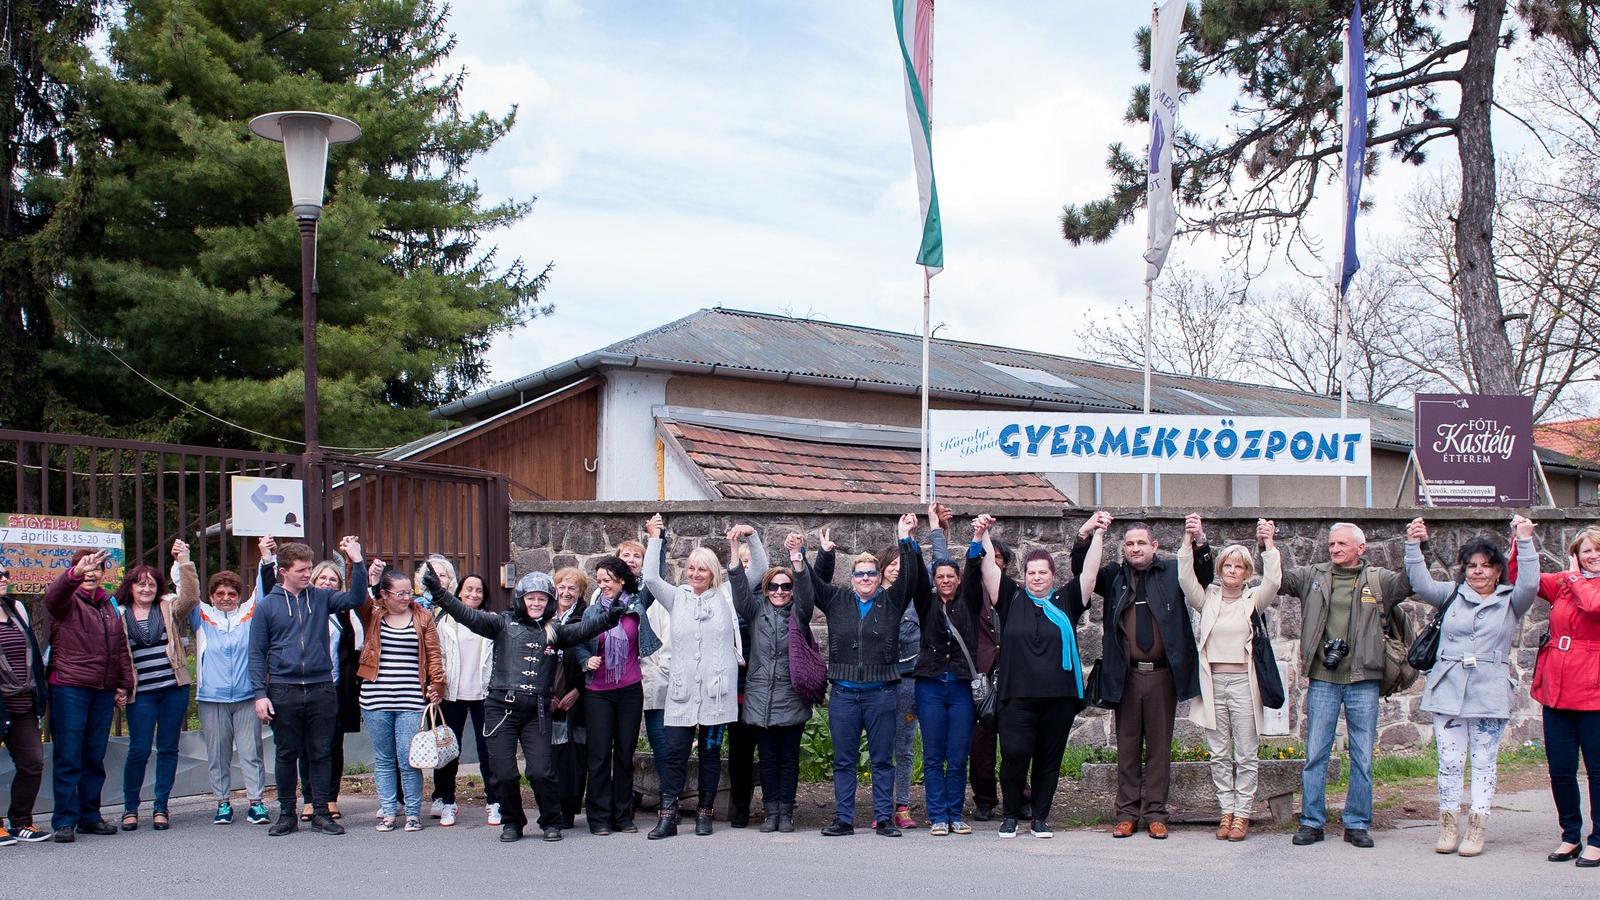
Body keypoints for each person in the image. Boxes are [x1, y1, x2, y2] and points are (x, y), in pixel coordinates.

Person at [426, 568, 623, 842]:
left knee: (541, 772)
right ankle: (512, 821)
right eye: (531, 598)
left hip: (537, 713)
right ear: (521, 599)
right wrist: (440, 593)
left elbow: (583, 629)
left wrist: (610, 618)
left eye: (542, 599)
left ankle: (551, 821)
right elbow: (467, 615)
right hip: (500, 709)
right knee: (504, 773)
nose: (536, 603)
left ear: (550, 602)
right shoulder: (501, 624)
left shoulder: (555, 631)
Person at [1405, 516, 1538, 857]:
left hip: (1489, 692)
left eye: (1486, 566)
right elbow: (1420, 583)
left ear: (1497, 571)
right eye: (1471, 565)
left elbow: (1531, 584)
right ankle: (1448, 824)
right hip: (1448, 689)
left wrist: (1524, 541)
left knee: (1483, 763)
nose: (1478, 571)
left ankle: (1477, 826)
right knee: (1449, 762)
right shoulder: (1451, 594)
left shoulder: (1512, 600)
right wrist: (1413, 544)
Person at [1074, 513, 1211, 840]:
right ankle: (1126, 814)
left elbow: (1204, 575)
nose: (1134, 549)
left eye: (1140, 543)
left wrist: (1201, 540)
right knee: (1128, 747)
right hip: (1127, 675)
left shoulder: (1174, 571)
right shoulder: (1114, 577)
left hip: (1163, 676)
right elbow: (1084, 572)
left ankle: (1156, 814)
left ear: (1154, 546)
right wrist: (1085, 534)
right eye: (1129, 544)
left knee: (1160, 749)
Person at [1280, 522, 1412, 849]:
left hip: (1364, 679)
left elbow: (1409, 584)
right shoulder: (1314, 576)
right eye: (1331, 544)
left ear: (1361, 548)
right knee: (1316, 753)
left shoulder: (1378, 579)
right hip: (1324, 677)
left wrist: (1414, 545)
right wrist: (1267, 545)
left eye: (1342, 544)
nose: (1335, 549)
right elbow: (1279, 581)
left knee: (1362, 756)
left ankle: (1357, 823)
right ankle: (1311, 822)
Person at [795, 513, 923, 837]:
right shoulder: (837, 600)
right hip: (844, 694)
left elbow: (910, 576)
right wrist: (804, 554)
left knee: (882, 759)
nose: (865, 578)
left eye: (871, 574)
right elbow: (811, 584)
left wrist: (904, 536)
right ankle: (843, 819)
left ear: (880, 578)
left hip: (881, 693)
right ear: (852, 579)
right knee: (844, 760)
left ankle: (884, 818)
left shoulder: (892, 602)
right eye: (860, 574)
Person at [978, 514, 1103, 839]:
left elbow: (1089, 574)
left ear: (1052, 575)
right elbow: (990, 567)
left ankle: (1040, 818)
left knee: (1049, 760)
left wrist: (1098, 533)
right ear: (1024, 575)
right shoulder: (1010, 598)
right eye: (1031, 572)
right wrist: (985, 534)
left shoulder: (1067, 601)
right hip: (1016, 698)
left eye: (1042, 572)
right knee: (1015, 755)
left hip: (1058, 700)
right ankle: (1010, 814)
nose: (1036, 577)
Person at [250, 535, 369, 836]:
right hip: (283, 689)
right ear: (285, 571)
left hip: (320, 688)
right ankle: (287, 813)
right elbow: (256, 653)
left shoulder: (321, 598)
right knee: (287, 753)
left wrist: (357, 560)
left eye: (309, 568)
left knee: (321, 751)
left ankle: (320, 812)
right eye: (302, 570)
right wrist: (260, 695)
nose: (308, 574)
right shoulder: (267, 607)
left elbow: (356, 598)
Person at [640, 517, 747, 839]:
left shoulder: (726, 595)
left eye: (703, 569)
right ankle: (668, 815)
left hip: (716, 694)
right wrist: (656, 538)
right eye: (691, 569)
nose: (696, 574)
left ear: (713, 572)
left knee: (711, 753)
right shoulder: (677, 598)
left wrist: (748, 541)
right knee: (674, 753)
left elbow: (755, 573)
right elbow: (649, 577)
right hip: (682, 694)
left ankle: (704, 813)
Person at [1177, 519, 1281, 842]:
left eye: (1238, 566)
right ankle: (1226, 810)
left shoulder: (1253, 600)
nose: (1232, 570)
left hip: (1243, 684)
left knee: (1246, 752)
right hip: (1213, 682)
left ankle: (1243, 814)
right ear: (1220, 569)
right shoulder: (1207, 598)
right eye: (1227, 565)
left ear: (1246, 573)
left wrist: (1269, 545)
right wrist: (1188, 539)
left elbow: (1274, 581)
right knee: (1218, 752)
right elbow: (1184, 577)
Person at [44, 547, 133, 842]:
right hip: (70, 686)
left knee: (94, 755)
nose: (92, 573)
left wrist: (123, 682)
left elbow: (120, 645)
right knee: (69, 755)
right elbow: (52, 596)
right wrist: (74, 573)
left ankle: (89, 815)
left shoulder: (108, 603)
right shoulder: (66, 601)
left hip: (103, 688)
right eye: (86, 568)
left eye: (97, 568)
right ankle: (64, 820)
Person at [1525, 524, 1600, 867]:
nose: (1593, 556)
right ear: (1575, 554)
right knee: (1560, 769)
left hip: (1593, 688)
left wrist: (1573, 579)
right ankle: (1570, 834)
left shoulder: (1574, 583)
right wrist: (1522, 542)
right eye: (1586, 550)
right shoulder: (1564, 583)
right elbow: (1522, 578)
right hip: (1556, 687)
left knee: (1597, 770)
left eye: (1598, 550)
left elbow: (1593, 607)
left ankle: (1598, 839)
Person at [577, 535, 661, 835]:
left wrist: (656, 539)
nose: (604, 585)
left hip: (628, 690)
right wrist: (586, 660)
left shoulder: (636, 606)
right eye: (599, 580)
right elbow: (579, 645)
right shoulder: (591, 611)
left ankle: (623, 815)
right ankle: (599, 818)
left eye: (609, 580)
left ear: (622, 582)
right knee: (599, 755)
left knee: (625, 754)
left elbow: (653, 576)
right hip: (598, 693)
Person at [355, 567, 446, 832]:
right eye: (400, 593)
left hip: (410, 698)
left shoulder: (423, 616)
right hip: (375, 698)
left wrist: (437, 685)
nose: (407, 597)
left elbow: (433, 655)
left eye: (410, 591)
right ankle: (388, 810)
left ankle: (414, 813)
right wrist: (358, 563)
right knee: (384, 758)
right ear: (384, 594)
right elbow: (358, 597)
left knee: (409, 758)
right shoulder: (372, 614)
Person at [118, 543, 198, 832]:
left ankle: (161, 806)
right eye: (140, 584)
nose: (146, 589)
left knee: (168, 749)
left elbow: (190, 597)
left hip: (172, 689)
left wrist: (184, 561)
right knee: (138, 749)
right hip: (141, 693)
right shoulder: (119, 613)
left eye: (151, 584)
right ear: (130, 587)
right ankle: (130, 808)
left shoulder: (167, 607)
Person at [278, 554, 362, 823]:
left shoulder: (342, 613)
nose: (327, 582)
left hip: (335, 687)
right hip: (302, 685)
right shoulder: (301, 607)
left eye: (333, 579)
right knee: (304, 746)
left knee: (331, 746)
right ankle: (309, 799)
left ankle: (329, 797)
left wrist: (358, 564)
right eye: (322, 578)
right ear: (313, 580)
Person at [744, 535, 819, 834]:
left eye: (785, 587)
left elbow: (808, 595)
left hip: (791, 696)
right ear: (766, 589)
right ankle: (770, 811)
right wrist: (738, 555)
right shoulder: (755, 611)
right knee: (767, 759)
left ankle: (786, 812)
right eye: (773, 586)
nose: (779, 591)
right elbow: (739, 591)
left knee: (788, 759)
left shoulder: (798, 613)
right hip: (761, 696)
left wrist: (797, 559)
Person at [191, 561, 269, 827]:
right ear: (211, 596)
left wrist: (265, 556)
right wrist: (183, 562)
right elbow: (188, 591)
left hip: (247, 696)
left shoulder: (248, 614)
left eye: (232, 594)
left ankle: (256, 803)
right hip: (212, 697)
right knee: (218, 753)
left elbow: (262, 589)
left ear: (239, 596)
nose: (226, 599)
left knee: (251, 751)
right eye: (220, 594)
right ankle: (222, 803)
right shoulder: (201, 615)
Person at [910, 544, 977, 835]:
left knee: (959, 754)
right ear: (934, 580)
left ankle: (955, 813)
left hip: (961, 686)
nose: (946, 580)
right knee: (934, 755)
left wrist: (976, 541)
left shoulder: (970, 601)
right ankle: (938, 815)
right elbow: (915, 579)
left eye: (951, 576)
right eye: (941, 576)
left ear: (958, 579)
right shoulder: (927, 604)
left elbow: (975, 573)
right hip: (931, 686)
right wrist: (909, 544)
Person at [433, 572, 496, 827]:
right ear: (459, 592)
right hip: (452, 694)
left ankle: (494, 802)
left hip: (484, 694)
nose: (473, 594)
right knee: (448, 750)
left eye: (479, 590)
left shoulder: (492, 620)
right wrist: (436, 685)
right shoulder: (443, 620)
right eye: (468, 589)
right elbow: (436, 656)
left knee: (488, 751)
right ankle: (447, 801)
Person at [0, 559, 51, 843]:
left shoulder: (16, 609)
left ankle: (21, 821)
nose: (3, 578)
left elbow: (31, 652)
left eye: (5, 573)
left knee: (32, 762)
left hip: (23, 702)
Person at [968, 539, 1010, 823]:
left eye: (998, 558)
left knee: (1015, 743)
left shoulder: (1016, 590)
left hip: (1011, 675)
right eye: (988, 557)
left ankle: (1021, 796)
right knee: (980, 744)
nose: (992, 562)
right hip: (981, 676)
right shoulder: (971, 592)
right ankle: (984, 800)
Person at [551, 568, 590, 828]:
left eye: (572, 589)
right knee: (551, 755)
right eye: (562, 587)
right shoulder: (543, 616)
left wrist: (578, 691)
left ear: (580, 592)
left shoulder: (585, 617)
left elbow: (592, 654)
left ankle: (569, 809)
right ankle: (551, 806)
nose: (566, 593)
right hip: (549, 697)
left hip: (578, 697)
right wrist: (548, 694)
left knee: (575, 756)